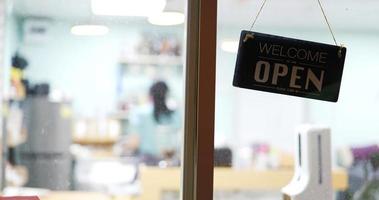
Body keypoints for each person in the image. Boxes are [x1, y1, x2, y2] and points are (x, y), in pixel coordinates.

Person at [129, 81, 181, 161]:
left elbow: (134, 143)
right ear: (167, 95)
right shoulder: (176, 115)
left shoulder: (140, 113)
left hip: (147, 161)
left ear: (150, 96)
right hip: (170, 161)